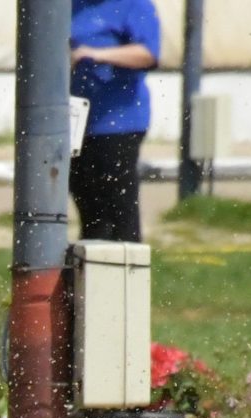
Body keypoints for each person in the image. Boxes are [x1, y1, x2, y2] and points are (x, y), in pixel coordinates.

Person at [69, 0, 162, 243]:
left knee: (118, 207)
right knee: (88, 206)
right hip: (77, 122)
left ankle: (126, 271)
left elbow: (148, 53)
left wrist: (95, 55)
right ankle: (90, 273)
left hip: (119, 122)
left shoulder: (134, 5)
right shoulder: (70, 5)